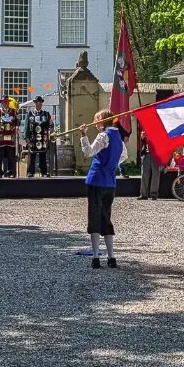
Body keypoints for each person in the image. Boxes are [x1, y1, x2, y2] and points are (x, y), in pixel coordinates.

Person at [80, 109, 128, 269]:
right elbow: (124, 156)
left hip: (96, 180)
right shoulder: (118, 137)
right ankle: (111, 257)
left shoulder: (103, 136)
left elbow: (88, 152)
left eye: (97, 120)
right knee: (106, 217)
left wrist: (83, 135)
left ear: (103, 121)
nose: (95, 123)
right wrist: (111, 165)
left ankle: (95, 257)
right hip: (110, 183)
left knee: (94, 217)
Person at [23, 96, 54, 177]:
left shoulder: (46, 114)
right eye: (37, 102)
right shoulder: (30, 114)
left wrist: (51, 132)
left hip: (43, 138)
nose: (38, 104)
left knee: (43, 156)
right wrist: (26, 137)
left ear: (42, 104)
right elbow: (26, 126)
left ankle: (43, 172)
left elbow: (50, 124)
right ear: (34, 104)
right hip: (33, 138)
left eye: (40, 103)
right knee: (32, 156)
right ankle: (30, 172)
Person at [0, 96, 19, 178]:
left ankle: (10, 171)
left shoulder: (14, 111)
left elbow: (17, 123)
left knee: (10, 155)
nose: (5, 104)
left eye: (7, 102)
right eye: (4, 102)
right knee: (0, 156)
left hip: (10, 137)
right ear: (1, 103)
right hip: (0, 137)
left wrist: (18, 118)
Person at [138, 133, 162, 200]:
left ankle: (154, 194)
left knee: (155, 175)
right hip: (146, 154)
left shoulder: (159, 131)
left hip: (156, 155)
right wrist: (142, 137)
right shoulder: (146, 131)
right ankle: (143, 194)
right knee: (144, 174)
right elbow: (143, 141)